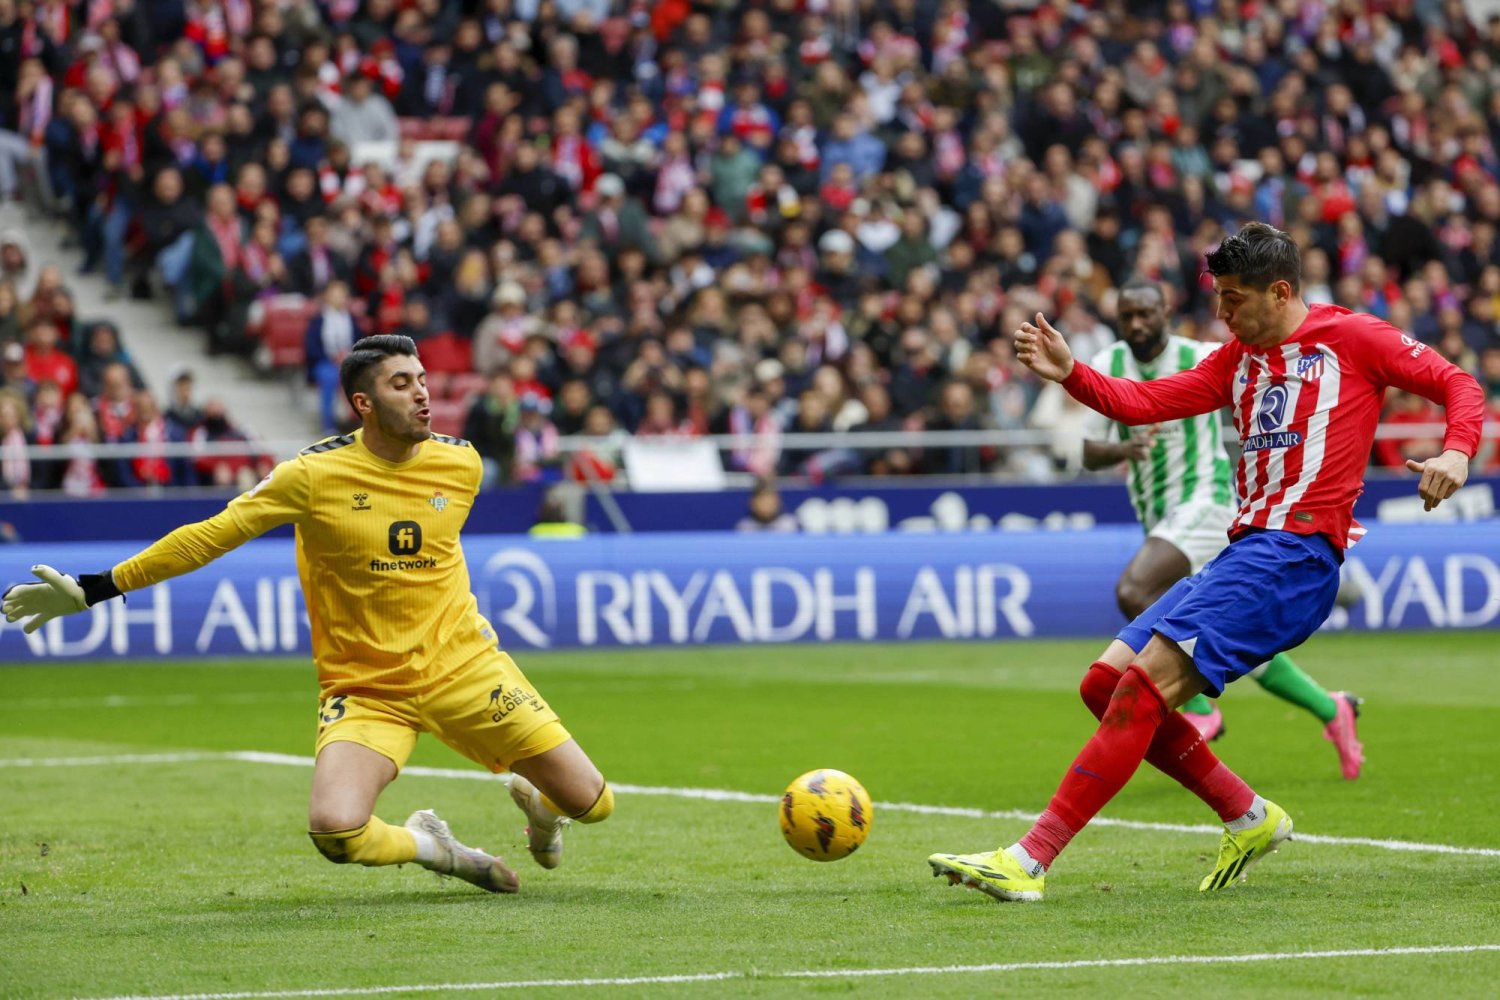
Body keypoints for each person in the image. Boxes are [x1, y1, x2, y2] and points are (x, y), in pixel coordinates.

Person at [929, 223, 1483, 902]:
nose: (1221, 314)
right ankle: (1248, 816)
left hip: (1294, 556)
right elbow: (1144, 401)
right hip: (1245, 551)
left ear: (1280, 293)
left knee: (1138, 692)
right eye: (1218, 297)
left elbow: (1459, 384)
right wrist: (1072, 373)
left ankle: (1029, 860)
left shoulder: (1354, 339)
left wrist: (1457, 451)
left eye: (1234, 299)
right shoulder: (1237, 360)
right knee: (1103, 686)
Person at [3, 336, 612, 894]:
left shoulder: (462, 465)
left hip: (466, 670)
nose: (422, 392)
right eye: (401, 383)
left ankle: (541, 806)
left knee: (594, 803)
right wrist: (96, 588)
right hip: (369, 687)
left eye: (422, 379)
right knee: (336, 831)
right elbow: (210, 536)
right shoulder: (311, 476)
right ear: (362, 403)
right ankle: (435, 847)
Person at [1082, 277, 1363, 778]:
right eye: (1127, 316)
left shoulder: (1204, 355)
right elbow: (1087, 451)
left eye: (1146, 313)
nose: (1137, 324)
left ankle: (1198, 710)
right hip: (1158, 516)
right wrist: (1123, 449)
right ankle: (1331, 708)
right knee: (1226, 641)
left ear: (1166, 310)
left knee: (1134, 590)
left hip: (1205, 504)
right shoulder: (1110, 364)